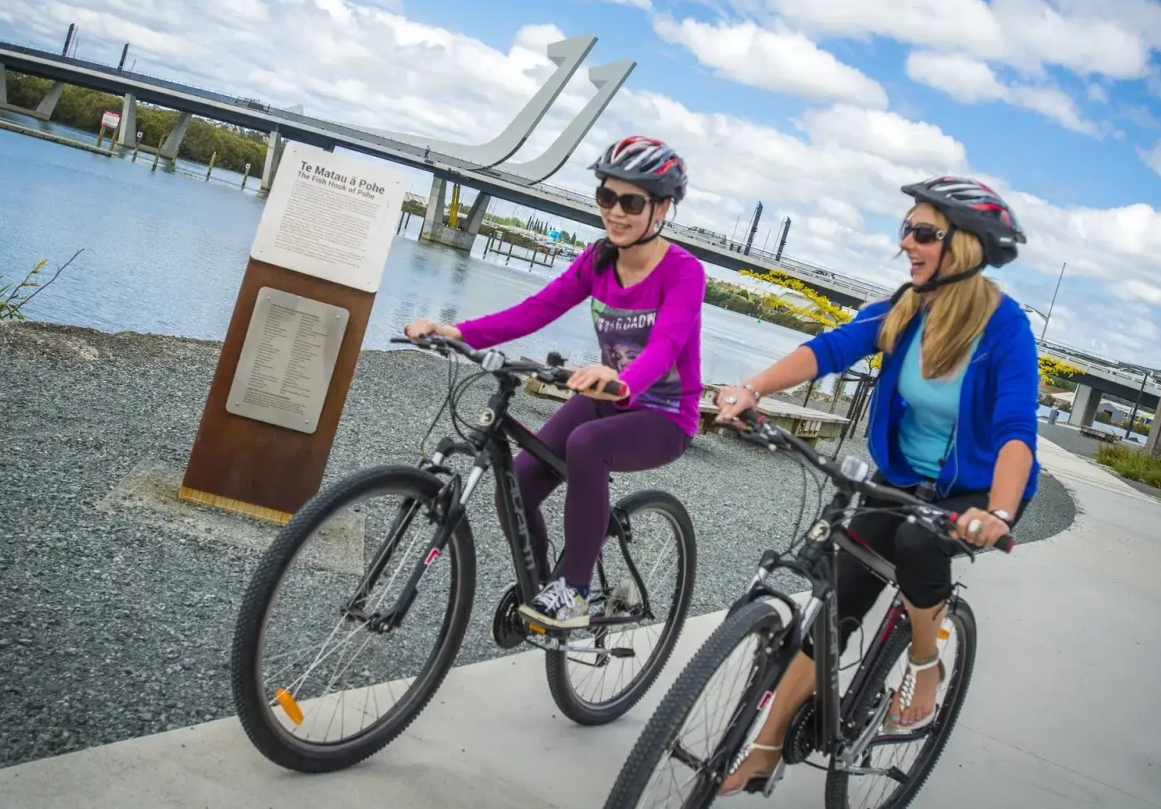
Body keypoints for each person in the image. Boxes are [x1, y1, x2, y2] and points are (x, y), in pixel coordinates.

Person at [712, 175, 1039, 795]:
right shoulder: (904, 307)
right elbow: (833, 349)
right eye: (906, 231)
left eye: (922, 233)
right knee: (836, 597)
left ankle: (925, 660)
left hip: (976, 488)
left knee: (918, 546)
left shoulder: (1005, 327)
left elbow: (1017, 429)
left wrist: (996, 511)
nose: (906, 245)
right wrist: (752, 389)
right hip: (901, 477)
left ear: (963, 248)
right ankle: (764, 748)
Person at [405, 136, 706, 630]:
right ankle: (544, 588)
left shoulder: (684, 272)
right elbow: (537, 310)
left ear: (663, 208)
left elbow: (665, 347)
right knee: (518, 483)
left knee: (588, 445)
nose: (616, 212)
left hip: (664, 416)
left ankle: (575, 591)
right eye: (607, 197)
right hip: (607, 399)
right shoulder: (598, 259)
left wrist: (622, 380)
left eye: (632, 202)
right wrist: (456, 331)